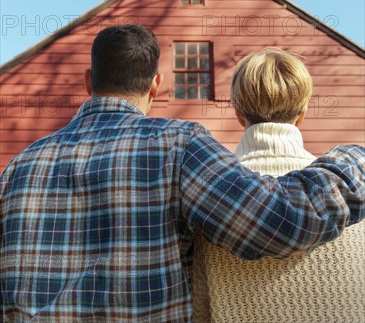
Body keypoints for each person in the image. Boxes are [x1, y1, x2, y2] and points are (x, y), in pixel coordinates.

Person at [0, 27, 364, 322]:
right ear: (155, 85)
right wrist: (356, 162)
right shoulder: (176, 145)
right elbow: (283, 219)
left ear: (87, 80)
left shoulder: (16, 169)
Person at [193, 48, 365, 323]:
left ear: (238, 114)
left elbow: (199, 309)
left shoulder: (207, 199)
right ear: (303, 113)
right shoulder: (352, 188)